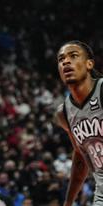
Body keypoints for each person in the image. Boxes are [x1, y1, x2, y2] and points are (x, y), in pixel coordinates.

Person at [55, 41, 103, 206]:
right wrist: (68, 202)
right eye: (61, 60)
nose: (66, 61)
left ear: (89, 64)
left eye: (73, 56)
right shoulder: (65, 113)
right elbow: (81, 157)